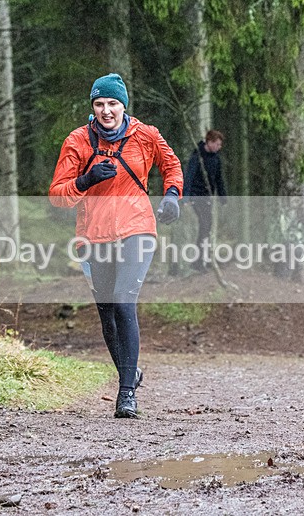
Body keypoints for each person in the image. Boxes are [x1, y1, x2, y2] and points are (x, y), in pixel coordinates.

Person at [49, 73, 183, 418]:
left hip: (137, 228)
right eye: (99, 104)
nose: (106, 110)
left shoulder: (146, 135)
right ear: (92, 107)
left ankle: (126, 394)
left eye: (113, 103)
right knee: (107, 313)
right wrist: (85, 180)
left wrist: (171, 196)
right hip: (94, 234)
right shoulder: (78, 140)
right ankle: (130, 373)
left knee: (124, 302)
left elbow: (172, 165)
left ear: (124, 105)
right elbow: (58, 196)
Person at [182, 130, 226, 271]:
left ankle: (203, 259)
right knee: (204, 226)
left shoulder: (216, 159)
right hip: (196, 196)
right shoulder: (197, 157)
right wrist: (185, 198)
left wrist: (222, 197)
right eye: (217, 144)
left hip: (207, 198)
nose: (219, 147)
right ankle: (198, 261)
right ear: (210, 142)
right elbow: (189, 177)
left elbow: (219, 179)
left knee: (207, 228)